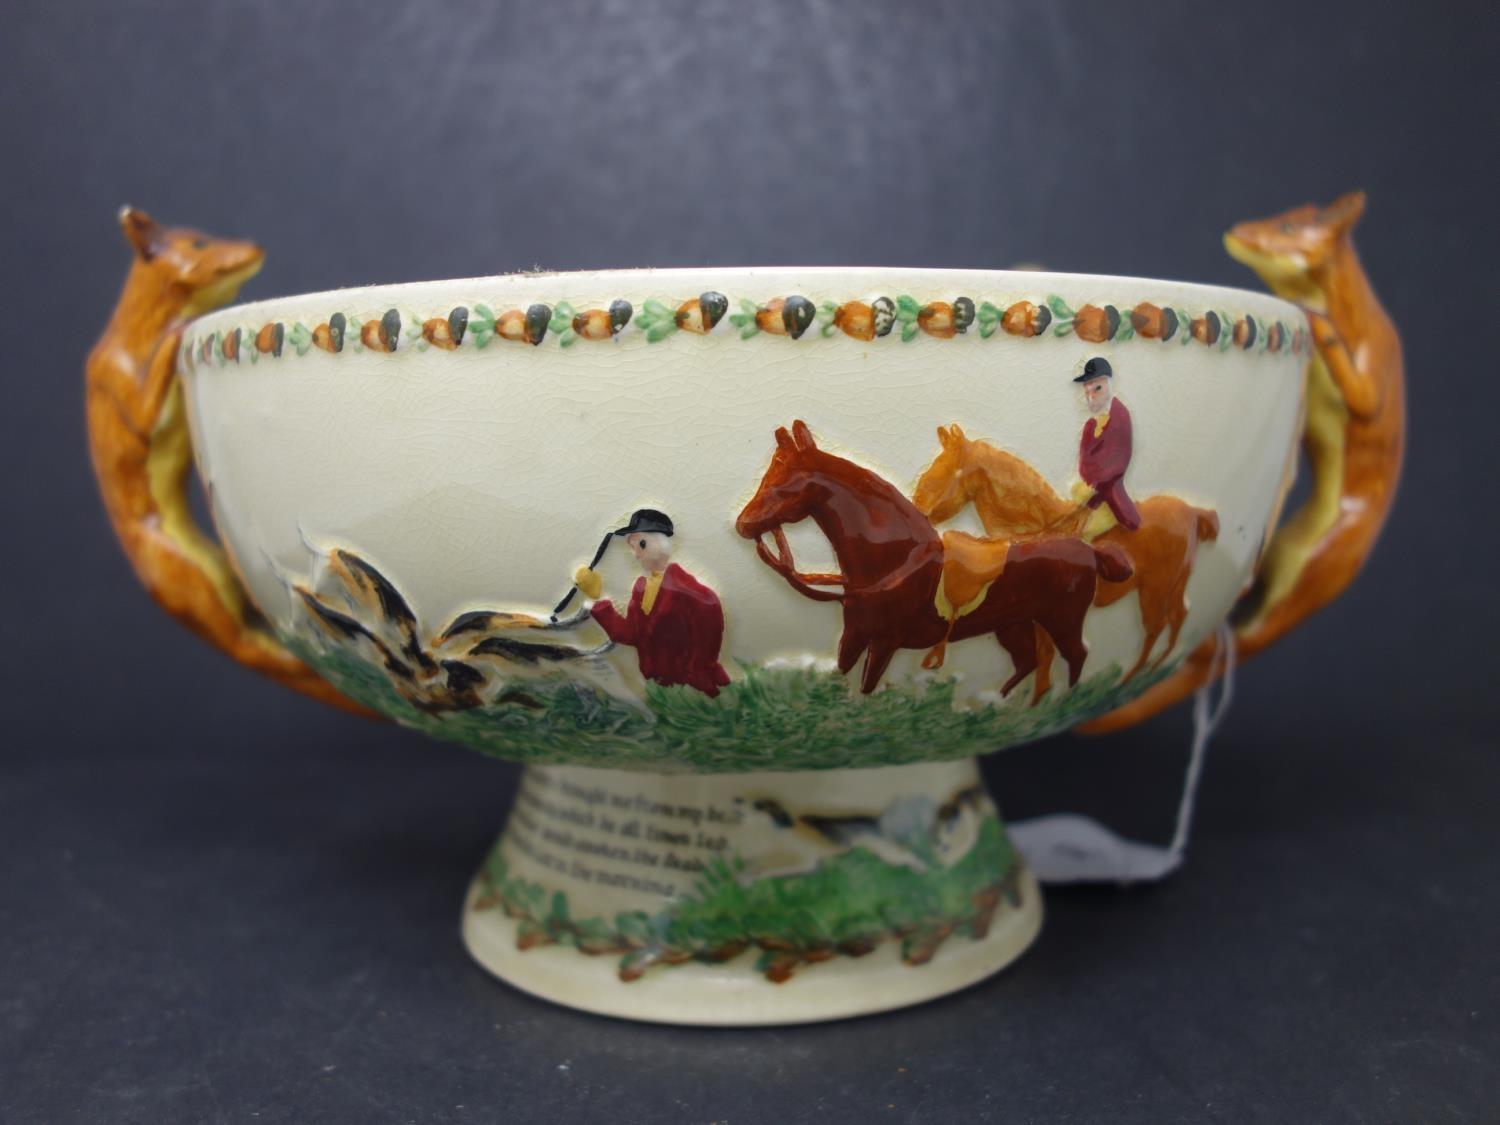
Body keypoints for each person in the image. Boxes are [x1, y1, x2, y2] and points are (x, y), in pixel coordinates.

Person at [572, 509, 731, 696]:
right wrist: (596, 598)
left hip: (693, 689)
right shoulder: (641, 590)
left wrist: (695, 675)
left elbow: (707, 644)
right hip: (656, 688)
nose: (637, 555)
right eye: (633, 548)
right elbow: (632, 634)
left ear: (662, 542)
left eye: (641, 545)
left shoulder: (697, 595)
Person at [1072, 356, 1141, 536]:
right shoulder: (1090, 426)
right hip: (1089, 493)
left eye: (1097, 389)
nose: (1090, 398)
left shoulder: (1120, 417)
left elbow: (1118, 462)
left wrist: (1094, 485)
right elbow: (1084, 461)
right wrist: (1085, 484)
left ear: (1109, 385)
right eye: (1087, 392)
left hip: (1108, 494)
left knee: (1088, 532)